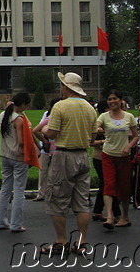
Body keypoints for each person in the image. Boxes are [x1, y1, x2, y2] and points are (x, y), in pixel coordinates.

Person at [41, 72, 98, 257]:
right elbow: (93, 137)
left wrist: (44, 129)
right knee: (82, 202)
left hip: (64, 155)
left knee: (57, 199)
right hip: (83, 155)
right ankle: (81, 243)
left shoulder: (60, 106)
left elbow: (52, 133)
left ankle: (61, 241)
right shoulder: (90, 108)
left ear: (67, 87)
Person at [96, 90, 139, 229]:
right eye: (109, 99)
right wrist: (97, 129)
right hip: (108, 154)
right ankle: (110, 217)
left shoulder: (129, 116)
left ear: (121, 101)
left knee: (124, 186)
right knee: (108, 184)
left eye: (114, 99)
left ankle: (125, 216)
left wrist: (129, 146)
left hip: (124, 156)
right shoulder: (104, 116)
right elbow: (96, 125)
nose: (112, 101)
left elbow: (136, 136)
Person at [0, 92, 33, 232]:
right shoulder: (18, 119)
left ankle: (0, 221)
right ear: (22, 104)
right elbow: (22, 141)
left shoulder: (2, 115)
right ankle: (16, 224)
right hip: (17, 156)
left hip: (4, 154)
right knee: (18, 191)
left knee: (5, 189)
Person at [32, 98, 60, 201]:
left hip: (56, 148)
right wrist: (45, 141)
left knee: (55, 173)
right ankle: (42, 193)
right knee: (44, 171)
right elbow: (37, 129)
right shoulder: (47, 115)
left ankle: (52, 194)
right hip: (48, 148)